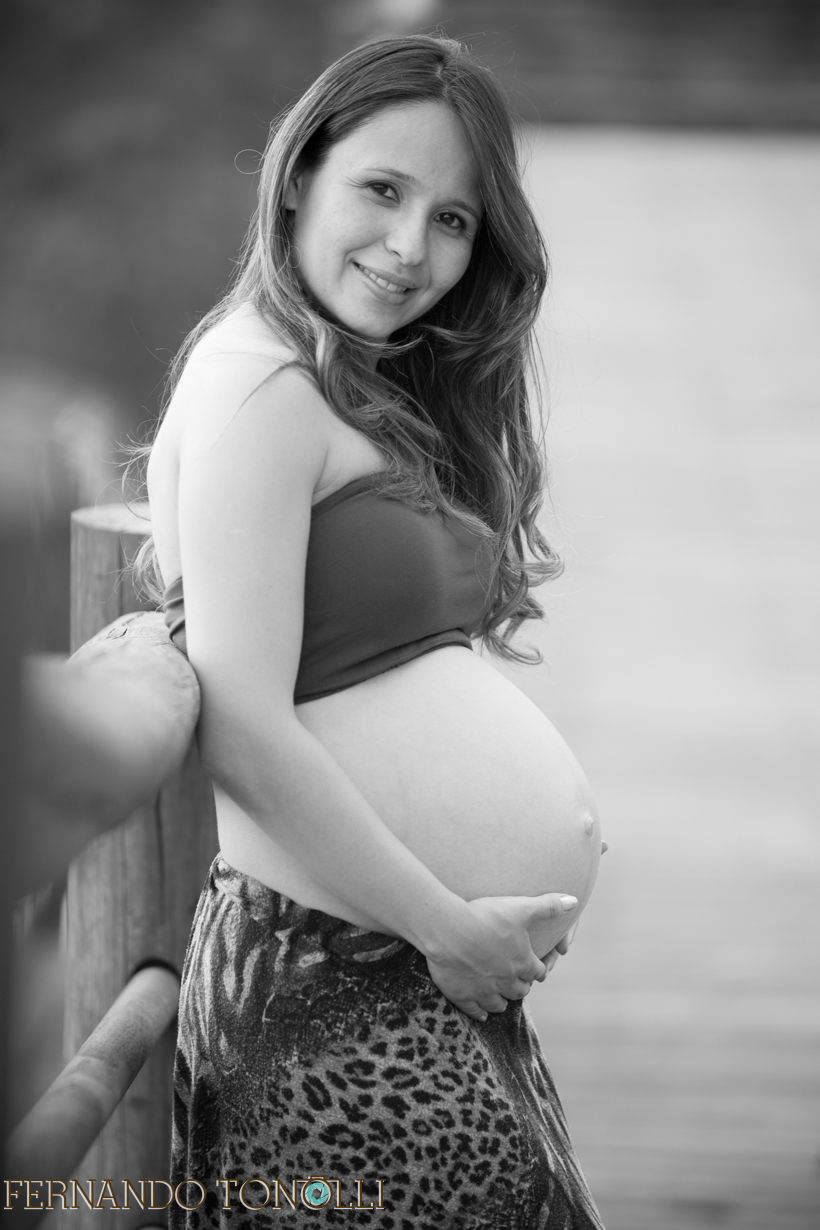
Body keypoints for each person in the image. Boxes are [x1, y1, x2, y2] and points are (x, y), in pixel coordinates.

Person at [137, 33, 605, 1229]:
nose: (409, 248)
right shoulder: (257, 388)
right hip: (329, 987)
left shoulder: (343, 385)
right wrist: (449, 929)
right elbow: (241, 723)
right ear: (299, 174)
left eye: (451, 220)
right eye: (382, 190)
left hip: (398, 967)